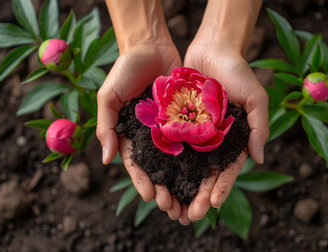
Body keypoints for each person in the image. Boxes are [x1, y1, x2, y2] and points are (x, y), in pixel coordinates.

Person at [97, 0, 269, 225]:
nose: (189, 114)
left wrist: (223, 40)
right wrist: (140, 40)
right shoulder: (163, 119)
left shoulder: (215, 116)